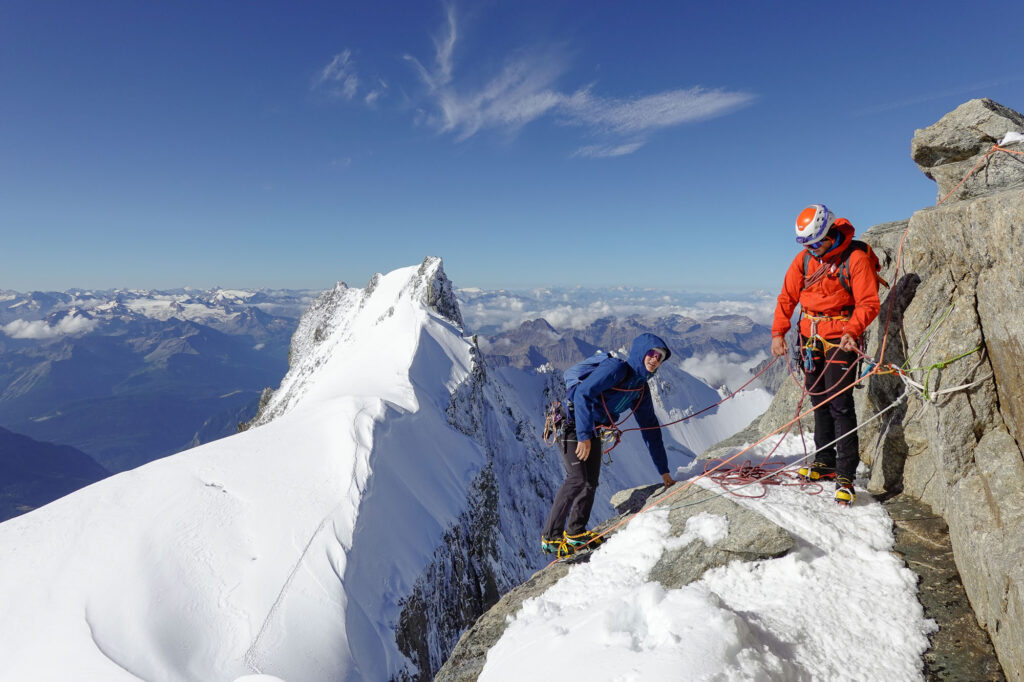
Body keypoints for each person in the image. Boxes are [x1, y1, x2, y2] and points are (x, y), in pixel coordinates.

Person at [771, 204, 880, 506]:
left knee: (840, 404)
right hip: (810, 337)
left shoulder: (855, 259)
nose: (814, 249)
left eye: (817, 243)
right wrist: (778, 333)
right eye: (808, 244)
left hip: (840, 339)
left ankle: (845, 472)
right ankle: (824, 460)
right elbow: (787, 297)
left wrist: (853, 330)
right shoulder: (805, 260)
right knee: (818, 398)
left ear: (831, 233)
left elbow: (869, 302)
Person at [540, 333, 675, 555]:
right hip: (572, 424)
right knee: (577, 479)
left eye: (660, 358)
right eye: (651, 354)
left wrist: (664, 472)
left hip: (591, 429)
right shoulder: (617, 369)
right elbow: (583, 394)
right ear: (641, 353)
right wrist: (583, 436)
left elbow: (651, 430)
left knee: (590, 482)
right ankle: (551, 537)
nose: (655, 360)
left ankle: (575, 532)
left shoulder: (640, 390)